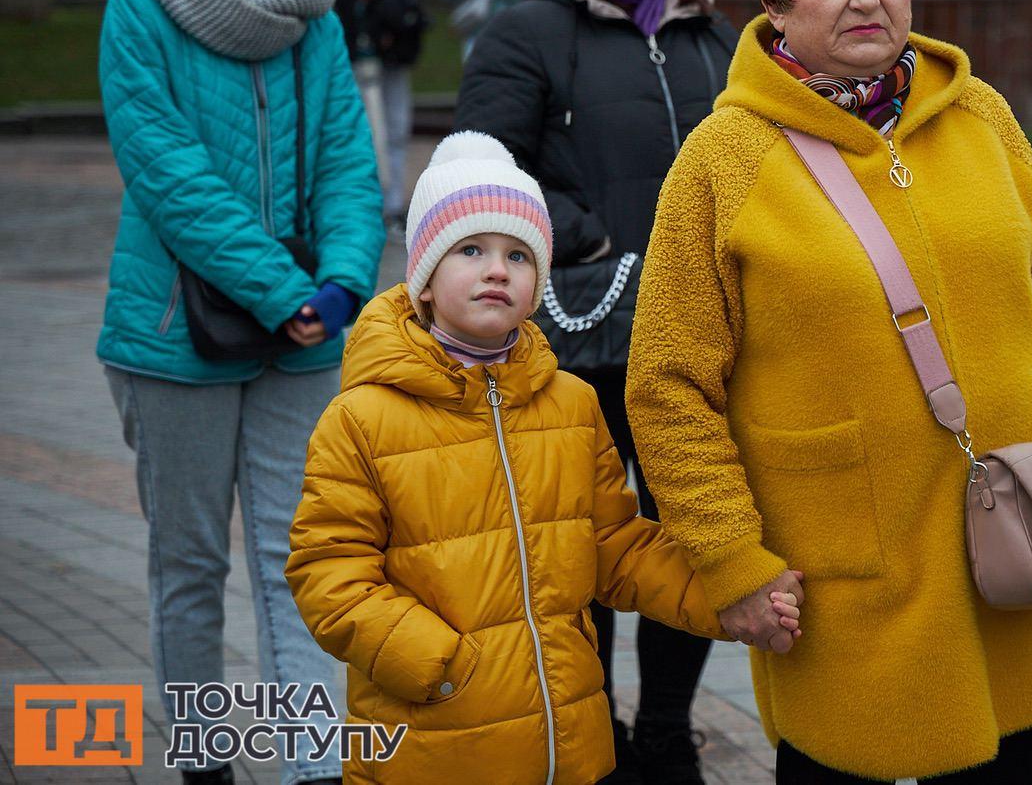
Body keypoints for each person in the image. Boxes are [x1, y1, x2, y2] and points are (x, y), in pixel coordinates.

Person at [625, 0, 1032, 783]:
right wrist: (731, 560)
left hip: (1028, 565)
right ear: (776, 2)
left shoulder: (982, 116)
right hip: (857, 586)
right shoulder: (724, 159)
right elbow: (667, 381)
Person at [285, 132, 800, 784]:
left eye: (519, 255)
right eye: (470, 249)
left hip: (568, 743)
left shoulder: (573, 403)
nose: (497, 269)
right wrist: (435, 662)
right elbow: (328, 570)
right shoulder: (362, 416)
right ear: (423, 277)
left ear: (539, 286)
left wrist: (722, 598)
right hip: (433, 744)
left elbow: (614, 545)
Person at [98, 0, 385, 785]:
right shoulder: (139, 5)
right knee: (189, 569)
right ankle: (205, 763)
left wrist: (344, 282)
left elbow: (351, 157)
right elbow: (170, 176)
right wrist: (280, 289)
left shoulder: (312, 4)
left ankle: (310, 768)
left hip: (305, 331)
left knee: (294, 561)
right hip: (174, 335)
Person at [452, 0, 738, 785]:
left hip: (703, 332)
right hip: (583, 338)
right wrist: (587, 234)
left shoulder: (707, 29)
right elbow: (484, 168)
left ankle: (664, 729)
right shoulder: (524, 32)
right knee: (596, 543)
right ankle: (598, 730)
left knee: (688, 530)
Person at [333, 0, 427, 235]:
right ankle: (373, 202)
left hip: (395, 45)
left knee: (397, 122)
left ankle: (392, 203)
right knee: (373, 125)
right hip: (370, 49)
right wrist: (371, 27)